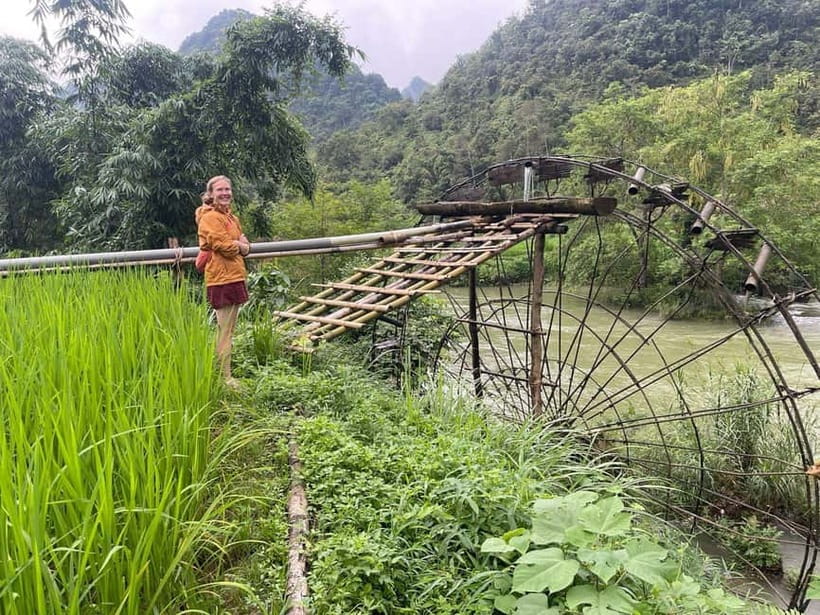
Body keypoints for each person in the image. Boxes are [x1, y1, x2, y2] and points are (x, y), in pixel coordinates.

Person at [196, 175, 251, 387]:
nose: (225, 193)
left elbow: (243, 244)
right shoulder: (210, 218)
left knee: (229, 329)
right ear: (211, 194)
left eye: (227, 189)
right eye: (220, 190)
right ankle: (225, 378)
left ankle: (224, 375)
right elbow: (226, 247)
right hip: (221, 278)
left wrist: (240, 245)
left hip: (235, 275)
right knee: (224, 330)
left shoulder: (231, 218)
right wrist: (240, 245)